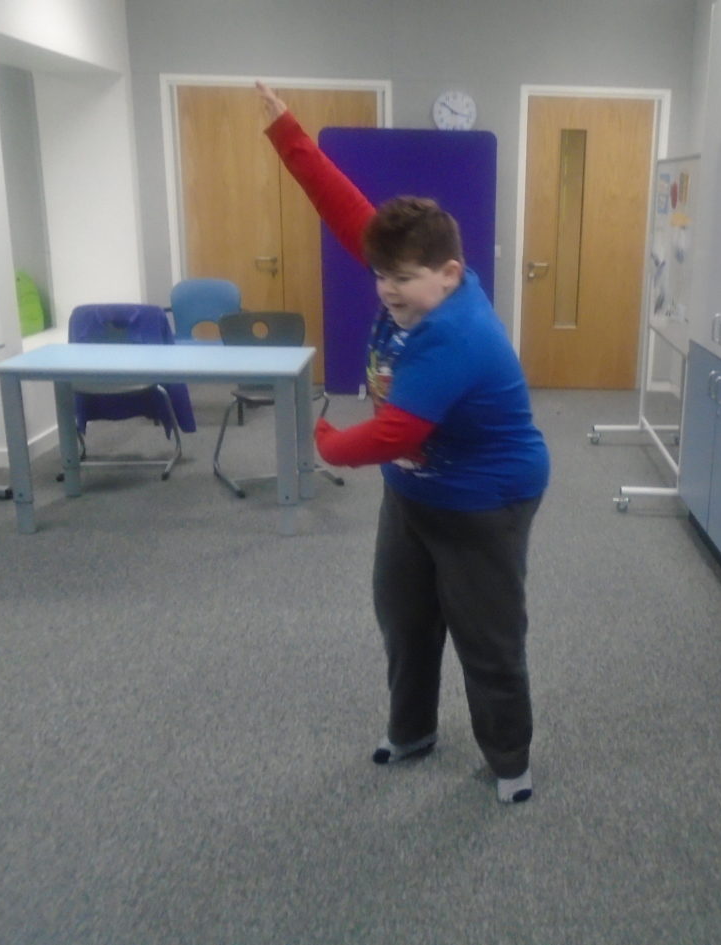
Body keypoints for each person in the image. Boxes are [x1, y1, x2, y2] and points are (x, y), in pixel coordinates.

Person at [255, 82, 549, 804]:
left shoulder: (458, 333)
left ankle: (509, 761)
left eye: (403, 278)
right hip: (414, 490)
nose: (387, 288)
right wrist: (288, 133)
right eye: (381, 273)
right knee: (405, 618)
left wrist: (326, 443)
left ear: (448, 274)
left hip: (484, 501)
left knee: (486, 636)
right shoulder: (415, 277)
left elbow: (395, 432)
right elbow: (344, 207)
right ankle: (412, 731)